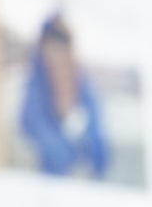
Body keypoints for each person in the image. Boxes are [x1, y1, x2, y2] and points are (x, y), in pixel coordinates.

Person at [20, 14, 109, 177]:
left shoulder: (85, 88)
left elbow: (100, 150)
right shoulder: (35, 90)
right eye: (54, 45)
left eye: (64, 44)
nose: (60, 56)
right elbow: (30, 126)